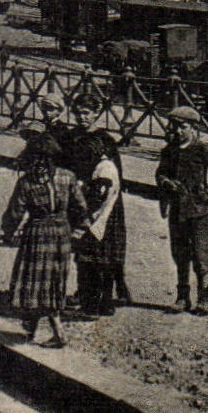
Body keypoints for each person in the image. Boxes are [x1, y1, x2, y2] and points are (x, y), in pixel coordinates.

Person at [1, 125, 89, 347]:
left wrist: (9, 233)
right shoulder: (67, 177)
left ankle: (54, 333)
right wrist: (76, 228)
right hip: (61, 233)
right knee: (53, 281)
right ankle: (34, 329)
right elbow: (80, 207)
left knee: (33, 280)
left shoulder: (27, 182)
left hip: (37, 233)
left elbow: (15, 213)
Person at [156, 105, 208, 316]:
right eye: (174, 127)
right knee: (179, 254)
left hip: (198, 211)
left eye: (183, 127)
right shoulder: (169, 150)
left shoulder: (202, 149)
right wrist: (165, 183)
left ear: (193, 128)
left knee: (200, 256)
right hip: (177, 210)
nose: (178, 131)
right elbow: (160, 173)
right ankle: (182, 297)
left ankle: (203, 298)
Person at [73, 119, 127, 315]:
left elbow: (98, 197)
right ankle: (100, 302)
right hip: (103, 216)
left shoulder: (104, 170)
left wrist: (82, 188)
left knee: (95, 262)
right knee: (100, 261)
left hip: (100, 218)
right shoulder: (104, 165)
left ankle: (95, 305)